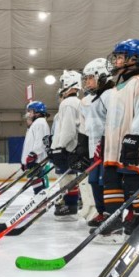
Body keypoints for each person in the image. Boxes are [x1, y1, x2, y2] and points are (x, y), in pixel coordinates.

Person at [98, 38, 139, 240]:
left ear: (133, 59)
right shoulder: (115, 89)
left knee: (132, 179)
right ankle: (113, 220)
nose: (115, 61)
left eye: (120, 57)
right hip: (113, 146)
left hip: (131, 143)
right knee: (110, 179)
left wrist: (135, 138)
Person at [77, 57, 114, 227]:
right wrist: (84, 147)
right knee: (93, 181)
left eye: (90, 77)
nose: (87, 82)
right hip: (95, 150)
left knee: (104, 182)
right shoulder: (94, 99)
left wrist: (105, 143)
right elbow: (89, 128)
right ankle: (101, 212)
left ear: (102, 76)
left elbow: (113, 123)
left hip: (107, 150)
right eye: (86, 79)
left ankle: (110, 213)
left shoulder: (109, 95)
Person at [49, 70, 82, 221]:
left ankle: (71, 205)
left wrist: (59, 147)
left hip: (67, 148)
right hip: (71, 147)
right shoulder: (75, 102)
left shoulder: (68, 103)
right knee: (69, 178)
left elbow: (68, 130)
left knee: (67, 178)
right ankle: (71, 203)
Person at [21, 101, 51, 194]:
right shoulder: (36, 123)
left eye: (30, 111)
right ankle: (39, 200)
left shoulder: (40, 123)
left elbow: (40, 141)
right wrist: (24, 160)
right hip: (33, 159)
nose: (29, 114)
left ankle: (40, 200)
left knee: (37, 180)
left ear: (37, 112)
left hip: (36, 159)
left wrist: (33, 155)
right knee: (34, 181)